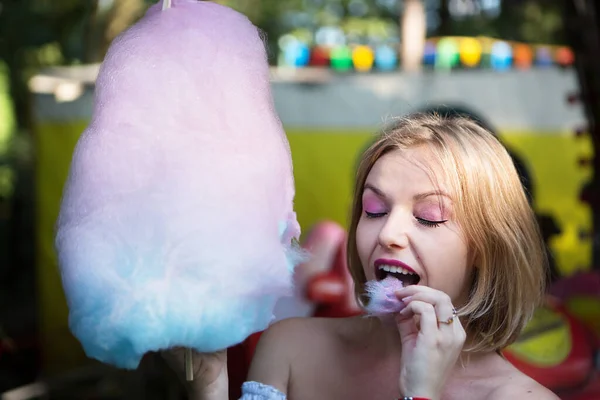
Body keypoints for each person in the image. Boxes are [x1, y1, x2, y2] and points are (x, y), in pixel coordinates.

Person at [164, 113, 559, 399]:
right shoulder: (291, 347)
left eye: (428, 217)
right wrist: (211, 387)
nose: (388, 233)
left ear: (487, 248)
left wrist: (421, 393)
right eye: (374, 210)